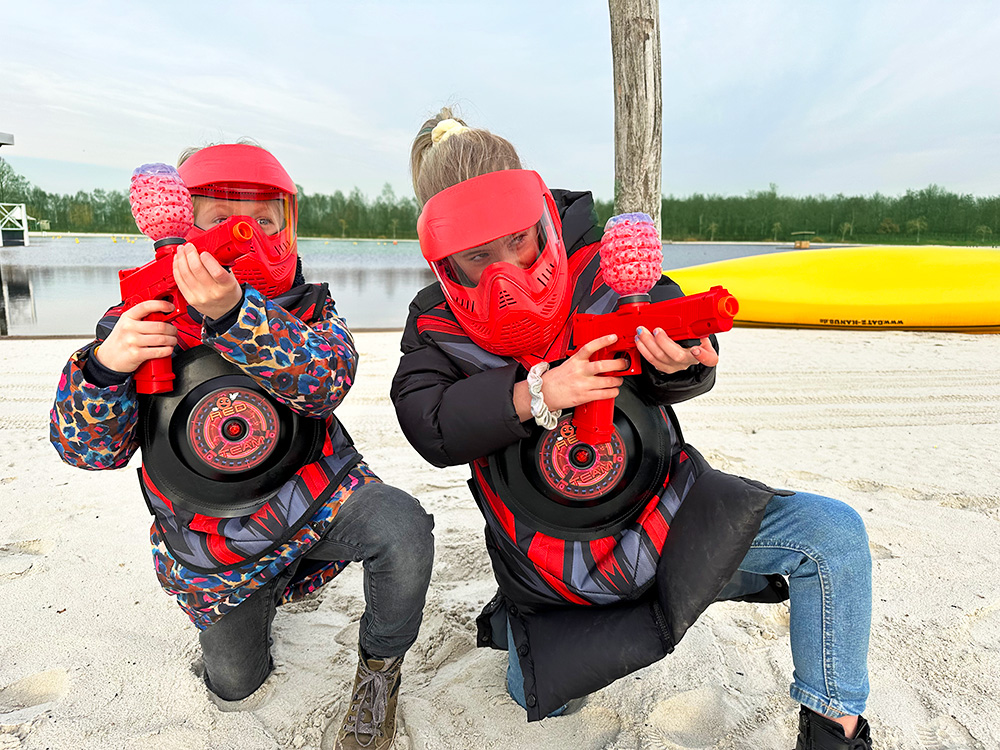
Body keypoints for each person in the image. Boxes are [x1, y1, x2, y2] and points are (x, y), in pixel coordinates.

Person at [390, 110, 874, 750]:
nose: (509, 272)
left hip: (666, 511)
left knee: (831, 535)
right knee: (535, 698)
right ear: (443, 253)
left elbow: (675, 327)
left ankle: (834, 725)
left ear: (539, 218)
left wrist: (683, 357)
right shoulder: (435, 324)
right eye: (480, 257)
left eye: (521, 244)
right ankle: (525, 623)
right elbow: (430, 427)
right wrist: (535, 393)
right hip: (553, 562)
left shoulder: (603, 267)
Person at [50, 142, 433, 750]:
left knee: (403, 525)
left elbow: (326, 381)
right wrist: (104, 366)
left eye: (265, 220)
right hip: (215, 545)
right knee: (235, 685)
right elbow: (87, 450)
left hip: (316, 502)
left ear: (288, 225)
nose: (243, 235)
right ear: (182, 224)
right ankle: (257, 608)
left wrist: (237, 315)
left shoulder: (308, 310)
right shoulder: (141, 317)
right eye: (218, 219)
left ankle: (380, 674)